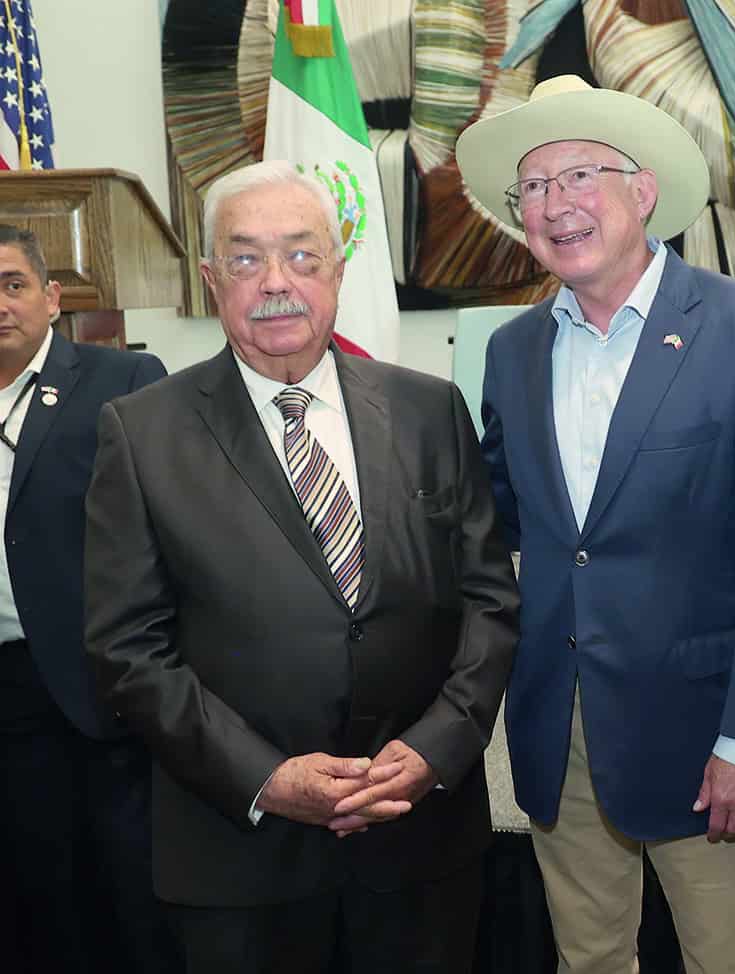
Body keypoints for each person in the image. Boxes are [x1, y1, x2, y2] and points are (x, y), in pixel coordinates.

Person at [84, 160, 519, 974]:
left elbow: (490, 601)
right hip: (241, 856)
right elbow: (127, 651)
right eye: (246, 258)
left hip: (419, 845)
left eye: (301, 255)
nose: (277, 282)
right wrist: (268, 778)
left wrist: (435, 748)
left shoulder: (429, 409)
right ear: (211, 279)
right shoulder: (140, 434)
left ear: (339, 271)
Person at [456, 76, 735, 973]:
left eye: (579, 176)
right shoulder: (511, 350)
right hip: (558, 726)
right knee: (589, 962)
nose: (554, 204)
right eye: (533, 187)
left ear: (642, 192)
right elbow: (497, 522)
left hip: (705, 735)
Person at [0, 224, 174, 973]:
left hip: (102, 682)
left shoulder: (120, 380)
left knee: (131, 896)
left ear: (51, 297)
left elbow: (173, 524)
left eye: (11, 284)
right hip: (8, 691)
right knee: (39, 897)